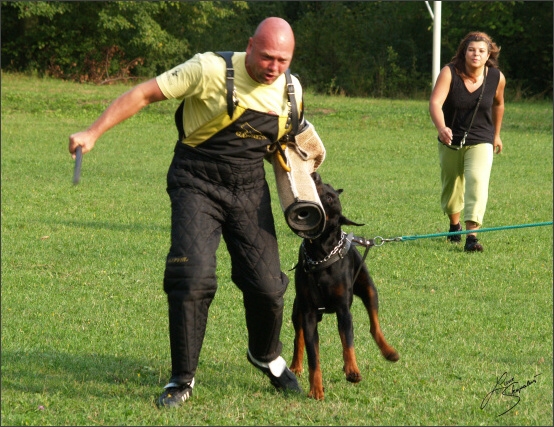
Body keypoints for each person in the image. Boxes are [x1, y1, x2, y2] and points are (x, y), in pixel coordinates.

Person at [68, 17, 303, 408]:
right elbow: (143, 93)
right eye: (266, 57)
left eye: (283, 60)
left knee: (267, 286)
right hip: (197, 180)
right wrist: (92, 132)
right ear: (250, 45)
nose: (274, 68)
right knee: (190, 277)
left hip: (249, 188)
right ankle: (182, 379)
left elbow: (290, 142)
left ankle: (265, 354)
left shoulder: (293, 90)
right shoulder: (209, 69)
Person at [429, 31, 506, 252]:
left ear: (488, 53)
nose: (476, 54)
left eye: (481, 51)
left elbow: (498, 104)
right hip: (450, 139)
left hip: (481, 138)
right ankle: (455, 226)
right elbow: (435, 103)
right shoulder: (449, 72)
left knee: (477, 181)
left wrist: (496, 134)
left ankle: (472, 237)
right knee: (452, 186)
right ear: (464, 51)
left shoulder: (496, 78)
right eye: (472, 49)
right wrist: (442, 127)